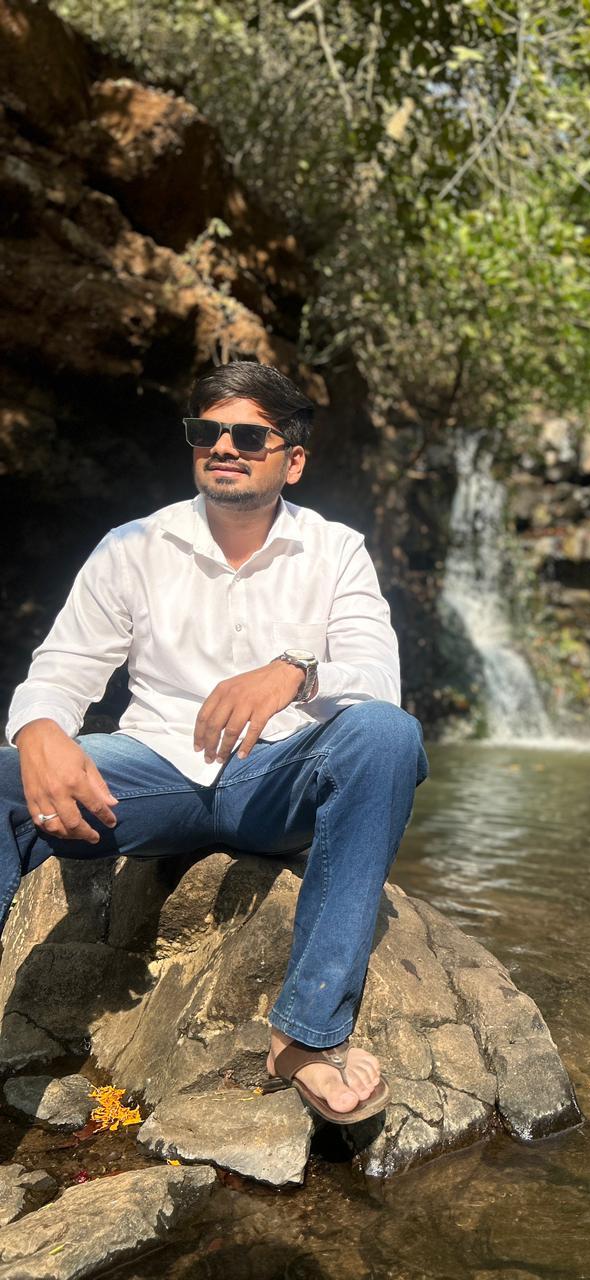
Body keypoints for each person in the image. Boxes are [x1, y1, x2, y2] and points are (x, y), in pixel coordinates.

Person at [0, 361, 429, 1124]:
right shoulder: (131, 546)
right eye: (207, 431)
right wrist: (38, 730)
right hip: (153, 775)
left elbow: (376, 682)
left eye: (249, 436)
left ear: (293, 461)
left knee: (387, 735)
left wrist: (295, 674)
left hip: (279, 780)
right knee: (5, 777)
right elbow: (61, 671)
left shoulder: (337, 550)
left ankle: (304, 1037)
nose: (224, 446)